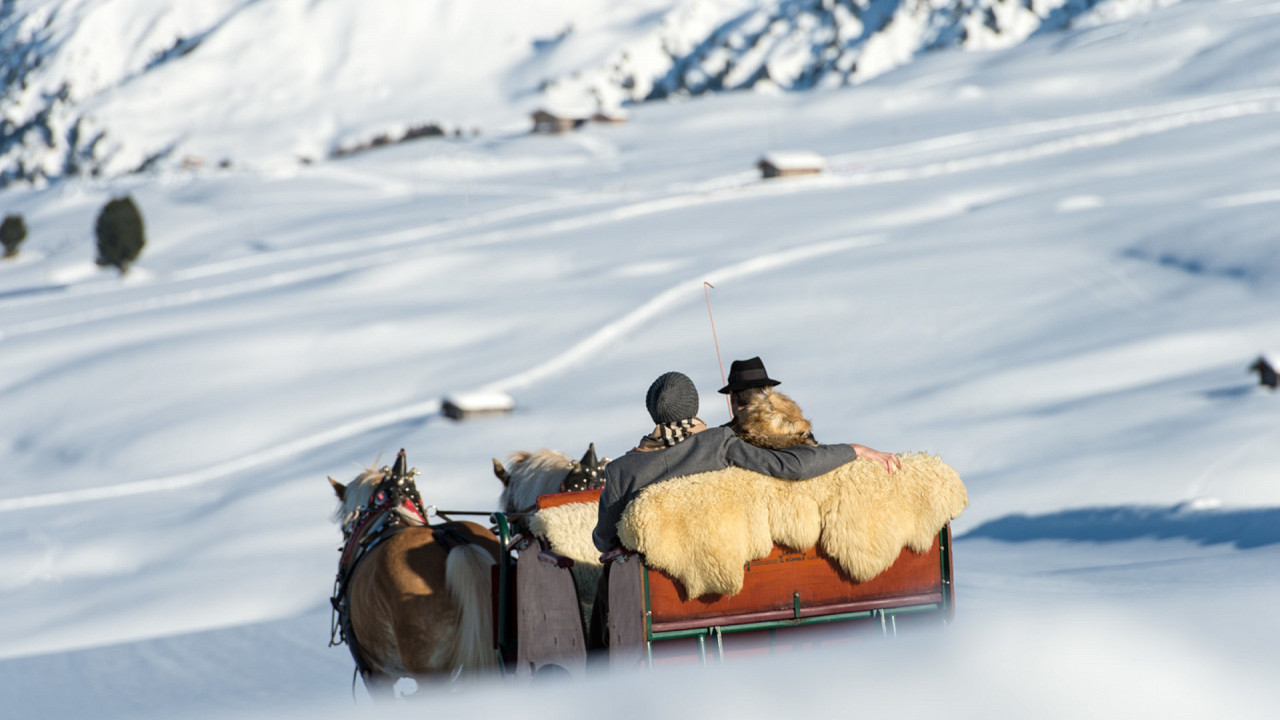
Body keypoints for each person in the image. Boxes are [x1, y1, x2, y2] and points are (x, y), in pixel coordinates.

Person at [591, 370, 899, 554]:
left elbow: (604, 541)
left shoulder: (621, 470)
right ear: (694, 405)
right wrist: (853, 450)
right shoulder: (719, 443)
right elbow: (792, 467)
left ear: (652, 412)